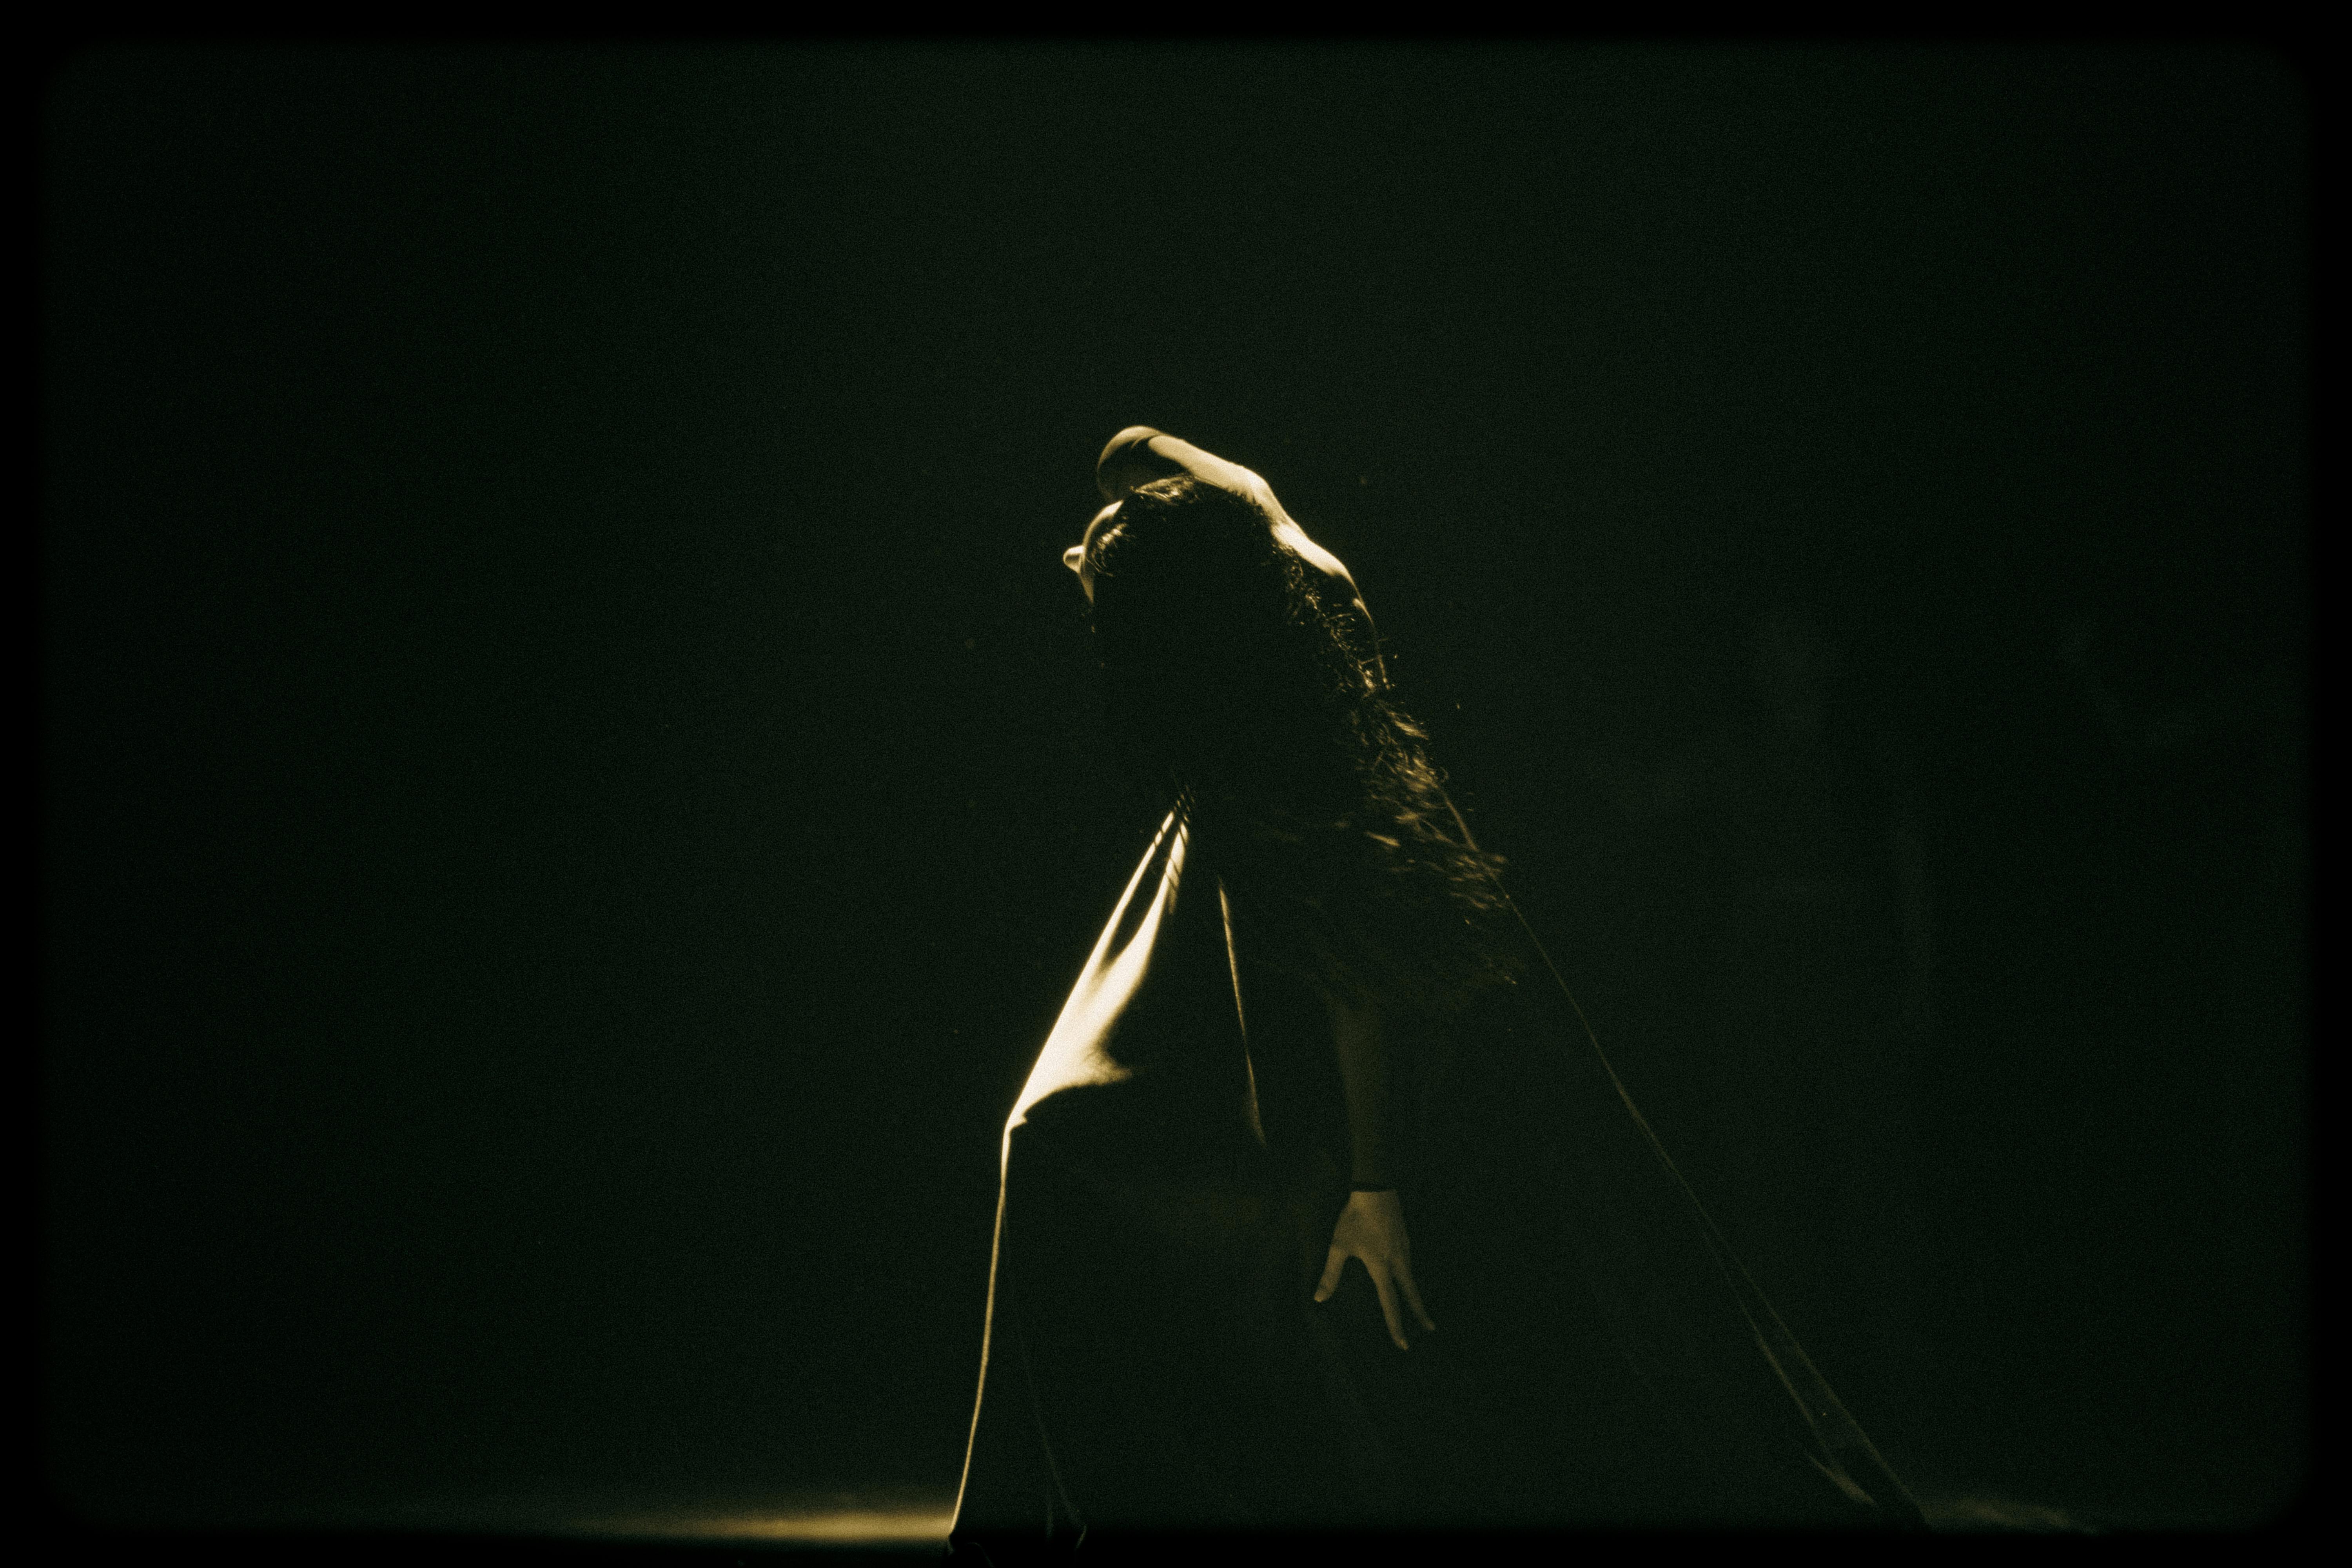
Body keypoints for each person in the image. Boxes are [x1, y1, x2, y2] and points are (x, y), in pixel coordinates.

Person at [946, 429, 1927, 1551]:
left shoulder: (1270, 735)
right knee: (1068, 1143)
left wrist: (1377, 1183)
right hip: (1273, 920)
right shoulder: (1290, 560)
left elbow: (1356, 969)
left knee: (1101, 1159)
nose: (1077, 553)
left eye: (1101, 558)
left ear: (1181, 621)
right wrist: (1135, 498)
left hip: (1340, 947)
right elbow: (1134, 450)